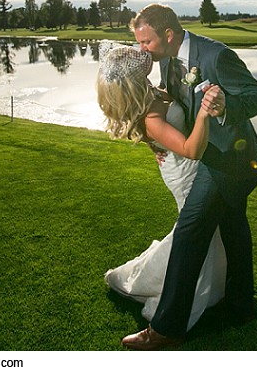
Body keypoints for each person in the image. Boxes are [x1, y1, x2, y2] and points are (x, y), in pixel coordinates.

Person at [122, 3, 257, 350]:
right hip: (211, 158)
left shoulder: (216, 56)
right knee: (234, 229)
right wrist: (157, 138)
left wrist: (225, 107)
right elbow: (180, 105)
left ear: (168, 35)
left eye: (146, 42)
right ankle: (242, 306)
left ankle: (167, 329)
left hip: (229, 162)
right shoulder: (170, 63)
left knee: (189, 233)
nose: (143, 49)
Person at [96, 44, 228, 333]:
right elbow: (191, 149)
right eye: (133, 58)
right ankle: (175, 293)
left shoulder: (153, 92)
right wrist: (205, 113)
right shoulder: (152, 118)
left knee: (202, 230)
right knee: (194, 232)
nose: (140, 54)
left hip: (184, 166)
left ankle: (212, 288)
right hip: (185, 171)